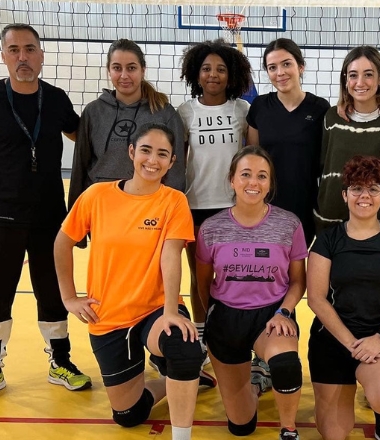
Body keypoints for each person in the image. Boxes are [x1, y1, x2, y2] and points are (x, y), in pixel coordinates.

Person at [0, 23, 91, 402]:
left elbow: (83, 135)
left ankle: (61, 363)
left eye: (30, 49)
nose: (22, 57)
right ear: (4, 56)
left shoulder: (56, 98)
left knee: (52, 294)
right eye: (14, 50)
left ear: (41, 55)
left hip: (51, 217)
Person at [55, 123, 204, 440]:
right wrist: (69, 298)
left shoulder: (173, 201)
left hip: (154, 310)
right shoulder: (97, 196)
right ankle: (178, 382)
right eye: (146, 150)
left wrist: (170, 312)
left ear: (172, 162)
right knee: (128, 415)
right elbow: (62, 242)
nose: (153, 160)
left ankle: (182, 429)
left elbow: (171, 255)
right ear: (132, 152)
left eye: (163, 154)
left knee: (184, 347)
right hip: (109, 316)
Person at [196, 146, 306, 440]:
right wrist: (218, 315)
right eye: (245, 174)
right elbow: (203, 283)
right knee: (241, 426)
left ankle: (289, 429)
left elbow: (298, 281)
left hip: (272, 314)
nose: (253, 183)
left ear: (270, 184)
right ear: (232, 179)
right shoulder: (211, 228)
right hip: (227, 318)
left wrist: (285, 311)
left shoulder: (289, 224)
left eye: (262, 176)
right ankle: (256, 382)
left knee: (285, 364)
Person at [307, 155, 380, 440]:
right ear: (345, 195)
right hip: (334, 339)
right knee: (334, 433)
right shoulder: (328, 240)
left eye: (373, 189)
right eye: (357, 189)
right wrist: (352, 345)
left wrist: (379, 338)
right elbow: (317, 299)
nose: (364, 196)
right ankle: (353, 379)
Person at [177, 38, 252, 358]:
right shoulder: (185, 111)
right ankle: (204, 335)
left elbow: (250, 158)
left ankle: (235, 331)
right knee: (200, 277)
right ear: (196, 73)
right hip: (195, 206)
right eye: (206, 68)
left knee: (236, 273)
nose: (213, 75)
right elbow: (178, 159)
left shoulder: (242, 109)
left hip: (233, 206)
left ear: (231, 75)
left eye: (221, 69)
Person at [68, 38, 186, 226]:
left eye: (131, 68)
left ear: (142, 70)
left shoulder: (164, 113)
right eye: (117, 68)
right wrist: (75, 220)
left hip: (149, 208)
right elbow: (80, 165)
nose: (124, 75)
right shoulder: (93, 112)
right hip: (103, 207)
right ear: (109, 71)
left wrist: (172, 215)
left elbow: (177, 168)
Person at [246, 38, 330, 247]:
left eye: (286, 64)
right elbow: (251, 157)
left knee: (297, 271)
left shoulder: (320, 108)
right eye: (272, 67)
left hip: (304, 204)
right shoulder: (260, 106)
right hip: (266, 203)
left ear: (300, 67)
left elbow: (326, 159)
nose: (280, 73)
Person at [314, 46, 380, 233]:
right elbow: (323, 166)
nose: (360, 82)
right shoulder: (332, 118)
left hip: (375, 224)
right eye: (353, 75)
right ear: (345, 79)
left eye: (368, 74)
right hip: (330, 221)